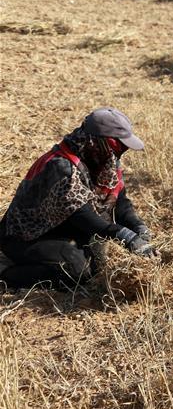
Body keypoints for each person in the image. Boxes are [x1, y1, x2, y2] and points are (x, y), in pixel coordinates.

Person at [0, 107, 156, 291]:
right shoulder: (62, 167)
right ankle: (6, 275)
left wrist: (138, 226)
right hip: (26, 236)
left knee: (97, 266)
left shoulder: (103, 160)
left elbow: (120, 201)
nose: (121, 152)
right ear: (100, 142)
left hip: (64, 229)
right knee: (76, 271)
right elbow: (83, 216)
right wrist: (125, 236)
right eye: (119, 146)